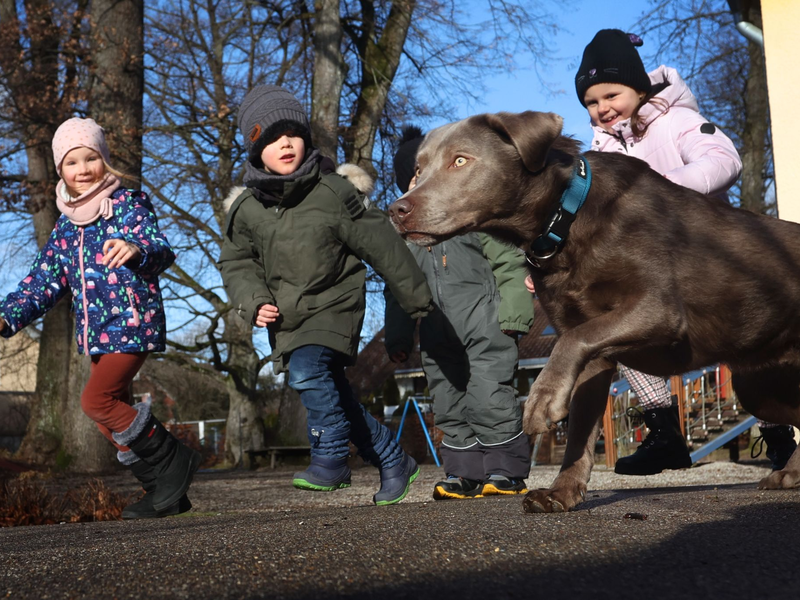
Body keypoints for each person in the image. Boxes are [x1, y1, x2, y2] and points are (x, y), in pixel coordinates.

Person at [571, 28, 797, 474]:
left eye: (611, 94)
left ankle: (778, 435)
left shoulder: (676, 121)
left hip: (707, 258)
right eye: (592, 103)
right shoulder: (600, 149)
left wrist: (660, 191)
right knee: (618, 327)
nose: (602, 109)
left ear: (638, 87)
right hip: (649, 268)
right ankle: (664, 433)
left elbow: (723, 159)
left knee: (747, 352)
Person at [218, 85, 434, 505]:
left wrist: (415, 298)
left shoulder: (333, 192)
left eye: (294, 134)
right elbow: (237, 263)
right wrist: (252, 300)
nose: (285, 143)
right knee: (334, 396)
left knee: (307, 373)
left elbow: (382, 244)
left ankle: (331, 458)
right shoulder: (245, 210)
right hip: (287, 318)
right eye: (271, 137)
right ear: (254, 148)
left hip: (335, 306)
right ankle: (393, 459)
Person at [0, 117, 199, 519]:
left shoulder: (127, 205)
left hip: (132, 321)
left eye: (92, 158)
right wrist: (7, 317)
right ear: (61, 171)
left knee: (96, 400)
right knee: (112, 417)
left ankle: (174, 458)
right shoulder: (65, 229)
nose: (84, 169)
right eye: (73, 163)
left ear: (105, 161)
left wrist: (135, 248)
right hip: (95, 335)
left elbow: (159, 247)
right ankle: (164, 491)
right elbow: (42, 282)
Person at [385, 126, 534, 500]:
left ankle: (506, 470)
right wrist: (399, 338)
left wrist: (515, 309)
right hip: (437, 334)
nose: (422, 182)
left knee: (489, 395)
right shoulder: (404, 236)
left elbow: (508, 259)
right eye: (414, 177)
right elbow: (398, 290)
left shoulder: (471, 213)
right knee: (448, 401)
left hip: (486, 322)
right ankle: (464, 473)